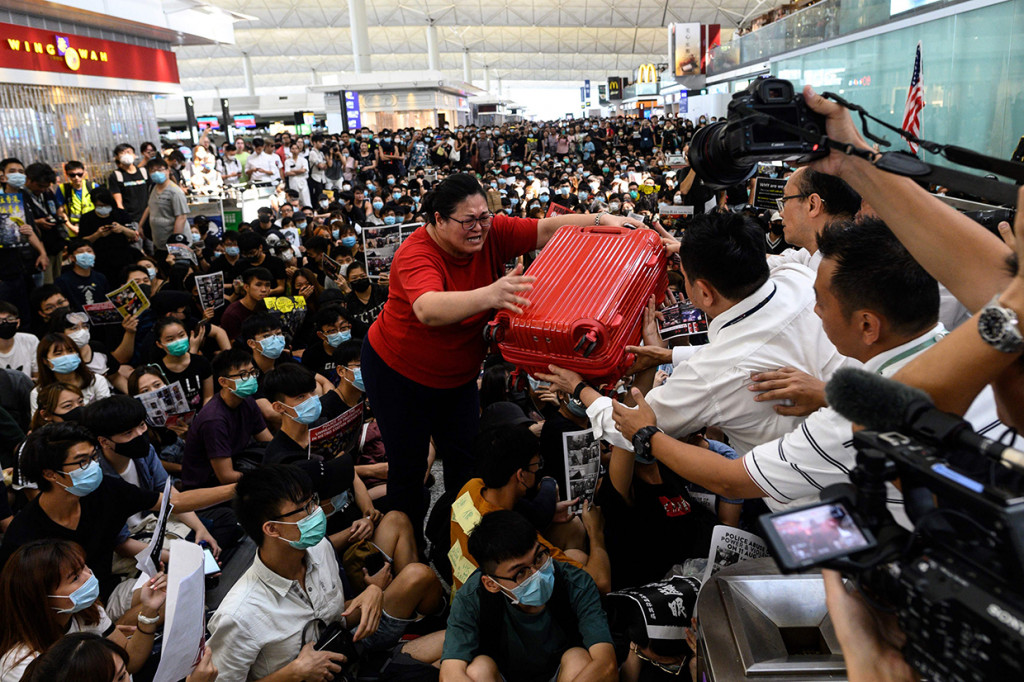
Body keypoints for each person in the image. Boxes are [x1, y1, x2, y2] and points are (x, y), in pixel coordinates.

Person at [363, 172, 640, 536]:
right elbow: (428, 308)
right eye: (468, 221)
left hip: (457, 375)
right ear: (439, 220)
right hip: (398, 372)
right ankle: (407, 549)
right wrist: (493, 294)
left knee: (467, 463)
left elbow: (545, 229)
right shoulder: (416, 254)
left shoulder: (493, 232)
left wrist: (602, 220)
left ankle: (465, 543)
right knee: (410, 466)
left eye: (484, 217)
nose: (479, 228)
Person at [541, 211, 846, 455]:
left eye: (685, 277)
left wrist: (578, 387)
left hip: (800, 505)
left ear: (704, 292)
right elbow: (755, 353)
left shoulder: (712, 374)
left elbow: (628, 425)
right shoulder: (801, 278)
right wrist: (669, 355)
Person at [208, 464, 443, 681]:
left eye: (314, 501)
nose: (317, 512)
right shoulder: (239, 616)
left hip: (351, 660)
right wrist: (293, 673)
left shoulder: (319, 549)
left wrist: (372, 592)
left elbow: (331, 616)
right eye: (305, 508)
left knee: (461, 646)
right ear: (271, 529)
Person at [0, 422, 232, 597]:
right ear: (50, 474)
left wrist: (237, 490)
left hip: (109, 591)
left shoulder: (104, 490)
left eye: (93, 457)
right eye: (82, 462)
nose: (92, 467)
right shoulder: (24, 537)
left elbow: (175, 502)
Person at [441, 509, 617, 682]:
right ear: (491, 584)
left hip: (563, 673)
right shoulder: (472, 598)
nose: (537, 574)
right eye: (520, 572)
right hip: (502, 675)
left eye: (539, 557)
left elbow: (606, 665)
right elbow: (450, 675)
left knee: (578, 659)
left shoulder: (574, 582)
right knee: (478, 669)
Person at [449, 424, 610, 594]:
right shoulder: (514, 537)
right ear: (521, 475)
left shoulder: (471, 487)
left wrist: (550, 512)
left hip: (461, 595)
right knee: (580, 558)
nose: (537, 469)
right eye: (536, 464)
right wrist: (596, 532)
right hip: (503, 612)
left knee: (570, 529)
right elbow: (601, 582)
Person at [0, 541, 166, 681]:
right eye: (75, 577)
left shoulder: (88, 612)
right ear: (41, 598)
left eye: (84, 567)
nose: (89, 576)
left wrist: (149, 610)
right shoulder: (20, 665)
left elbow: (129, 662)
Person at [180, 348, 272, 489]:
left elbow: (268, 442)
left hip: (238, 465)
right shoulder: (214, 420)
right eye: (243, 375)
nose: (252, 378)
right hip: (207, 488)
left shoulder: (247, 400)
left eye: (253, 372)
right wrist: (269, 476)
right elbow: (226, 477)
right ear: (223, 382)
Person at [30, 333, 112, 415]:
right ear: (45, 360)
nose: (66, 356)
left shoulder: (96, 381)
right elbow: (39, 424)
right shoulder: (38, 393)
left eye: (70, 351)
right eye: (58, 353)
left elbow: (108, 414)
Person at [76, 186, 141, 286]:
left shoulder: (120, 214)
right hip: (100, 262)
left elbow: (134, 234)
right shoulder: (87, 218)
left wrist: (122, 229)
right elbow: (82, 241)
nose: (103, 208)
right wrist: (97, 235)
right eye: (100, 206)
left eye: (106, 205)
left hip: (122, 258)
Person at [152, 316, 214, 410]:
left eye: (181, 335)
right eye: (170, 339)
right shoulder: (156, 370)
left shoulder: (201, 362)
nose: (178, 341)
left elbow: (208, 396)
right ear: (159, 344)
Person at [140, 157, 188, 259]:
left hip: (173, 243)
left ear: (168, 170)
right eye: (153, 170)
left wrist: (175, 244)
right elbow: (150, 206)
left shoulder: (175, 192)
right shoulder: (153, 188)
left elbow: (181, 217)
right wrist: (140, 226)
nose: (156, 173)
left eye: (160, 169)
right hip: (159, 241)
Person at [219, 267, 273, 341]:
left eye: (267, 285)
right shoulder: (233, 314)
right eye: (258, 285)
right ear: (246, 287)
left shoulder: (268, 307)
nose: (264, 289)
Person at [55, 239, 109, 310]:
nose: (86, 254)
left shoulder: (100, 278)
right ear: (72, 258)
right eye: (80, 252)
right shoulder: (63, 281)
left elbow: (107, 300)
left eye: (89, 251)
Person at [106, 143, 149, 225]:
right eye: (122, 153)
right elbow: (118, 202)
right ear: (117, 157)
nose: (126, 155)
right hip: (131, 219)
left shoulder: (144, 172)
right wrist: (125, 220)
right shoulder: (116, 175)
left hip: (148, 216)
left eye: (129, 152)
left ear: (134, 155)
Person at [344, 261, 388, 339]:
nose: (359, 279)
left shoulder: (382, 290)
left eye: (362, 276)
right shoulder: (348, 302)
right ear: (348, 281)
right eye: (354, 278)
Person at [56, 161, 100, 234]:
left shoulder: (93, 186)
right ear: (67, 174)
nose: (76, 178)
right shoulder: (63, 189)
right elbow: (60, 212)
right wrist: (71, 227)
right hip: (74, 230)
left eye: (79, 174)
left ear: (84, 173)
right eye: (72, 175)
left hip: (94, 228)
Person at [0, 301, 38, 380]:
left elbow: (39, 376)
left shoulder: (30, 340)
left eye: (10, 319)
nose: (5, 323)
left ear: (18, 322)